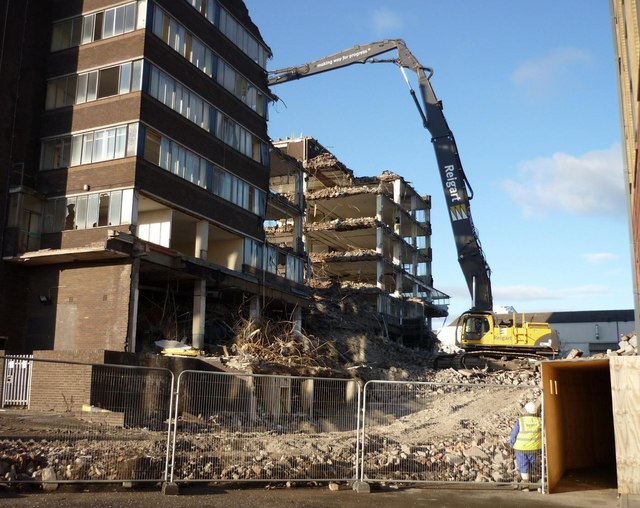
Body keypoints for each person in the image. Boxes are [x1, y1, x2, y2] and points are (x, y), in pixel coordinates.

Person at [510, 401, 542, 487]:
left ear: (526, 410)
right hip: (534, 448)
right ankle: (536, 481)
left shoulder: (520, 421)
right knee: (531, 464)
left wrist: (511, 445)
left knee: (523, 465)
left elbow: (514, 434)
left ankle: (525, 486)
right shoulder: (539, 421)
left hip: (521, 448)